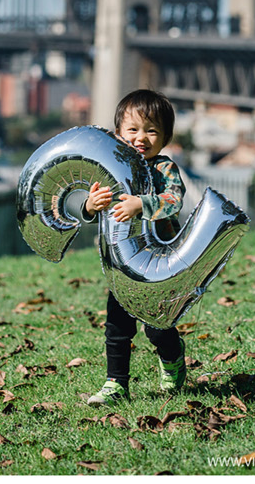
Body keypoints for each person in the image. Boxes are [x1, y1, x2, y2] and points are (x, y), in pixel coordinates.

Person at [81, 89, 187, 406]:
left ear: (165, 136)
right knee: (117, 325)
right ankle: (116, 384)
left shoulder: (164, 169)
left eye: (151, 130)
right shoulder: (109, 170)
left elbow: (174, 202)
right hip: (122, 265)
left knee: (157, 327)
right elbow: (88, 213)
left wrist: (142, 203)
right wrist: (90, 205)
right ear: (118, 134)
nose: (141, 137)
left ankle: (173, 359)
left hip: (158, 261)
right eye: (133, 129)